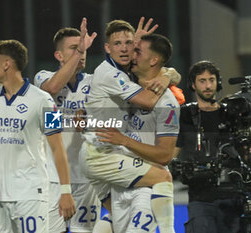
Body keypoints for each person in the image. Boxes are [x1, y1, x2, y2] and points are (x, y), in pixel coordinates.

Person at [0, 39, 76, 233]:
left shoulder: (44, 100)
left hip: (31, 194)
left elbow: (58, 148)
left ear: (7, 63)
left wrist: (66, 191)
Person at [80, 19, 179, 233]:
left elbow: (165, 154)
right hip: (102, 154)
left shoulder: (133, 77)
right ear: (107, 48)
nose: (127, 51)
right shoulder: (112, 74)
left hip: (120, 162)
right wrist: (165, 78)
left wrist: (168, 75)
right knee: (164, 176)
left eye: (131, 46)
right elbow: (148, 101)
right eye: (117, 44)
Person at [34, 18, 100, 233]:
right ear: (58, 56)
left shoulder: (95, 82)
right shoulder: (42, 78)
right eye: (74, 48)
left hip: (86, 179)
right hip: (52, 179)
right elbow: (53, 87)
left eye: (83, 49)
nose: (81, 53)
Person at [173, 60, 241, 233]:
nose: (208, 85)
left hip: (233, 197)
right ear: (193, 85)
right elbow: (171, 151)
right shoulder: (185, 115)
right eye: (202, 81)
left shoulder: (232, 114)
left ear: (218, 82)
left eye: (211, 80)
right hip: (200, 197)